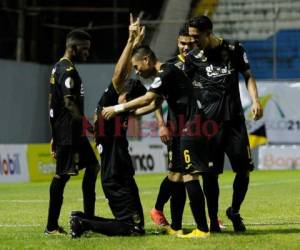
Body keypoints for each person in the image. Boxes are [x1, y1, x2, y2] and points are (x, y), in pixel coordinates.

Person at [102, 45, 211, 238]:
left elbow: (148, 98)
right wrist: (129, 113)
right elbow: (155, 104)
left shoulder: (166, 71)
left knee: (189, 176)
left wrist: (119, 108)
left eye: (137, 66)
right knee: (176, 175)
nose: (137, 71)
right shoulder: (165, 74)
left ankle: (202, 230)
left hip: (191, 125)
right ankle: (177, 227)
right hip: (180, 128)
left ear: (146, 60)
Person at [69, 15, 147, 238]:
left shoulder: (118, 109)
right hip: (115, 175)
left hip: (121, 172)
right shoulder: (109, 106)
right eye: (131, 103)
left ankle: (82, 218)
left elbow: (146, 106)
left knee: (135, 224)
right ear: (124, 96)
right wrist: (131, 41)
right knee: (133, 229)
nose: (133, 109)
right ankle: (84, 224)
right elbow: (120, 73)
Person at [186, 15, 263, 232]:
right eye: (190, 37)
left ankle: (234, 211)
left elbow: (248, 75)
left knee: (244, 170)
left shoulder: (234, 49)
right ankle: (212, 221)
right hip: (209, 125)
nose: (193, 41)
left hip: (235, 121)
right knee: (210, 175)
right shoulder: (193, 57)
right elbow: (181, 86)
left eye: (196, 36)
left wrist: (255, 100)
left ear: (208, 33)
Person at [151, 23, 225, 233]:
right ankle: (173, 221)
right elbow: (154, 99)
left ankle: (211, 219)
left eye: (189, 43)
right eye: (182, 43)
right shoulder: (170, 66)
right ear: (177, 42)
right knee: (179, 174)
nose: (185, 47)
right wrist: (161, 125)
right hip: (176, 128)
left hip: (202, 127)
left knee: (208, 174)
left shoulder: (203, 64)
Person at [45, 29, 100, 235]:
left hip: (67, 131)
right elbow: (68, 102)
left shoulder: (57, 68)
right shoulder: (69, 71)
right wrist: (88, 125)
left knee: (93, 166)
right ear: (73, 48)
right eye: (84, 49)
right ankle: (51, 226)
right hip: (69, 132)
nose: (87, 53)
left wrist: (53, 133)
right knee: (62, 175)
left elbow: (52, 103)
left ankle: (89, 220)